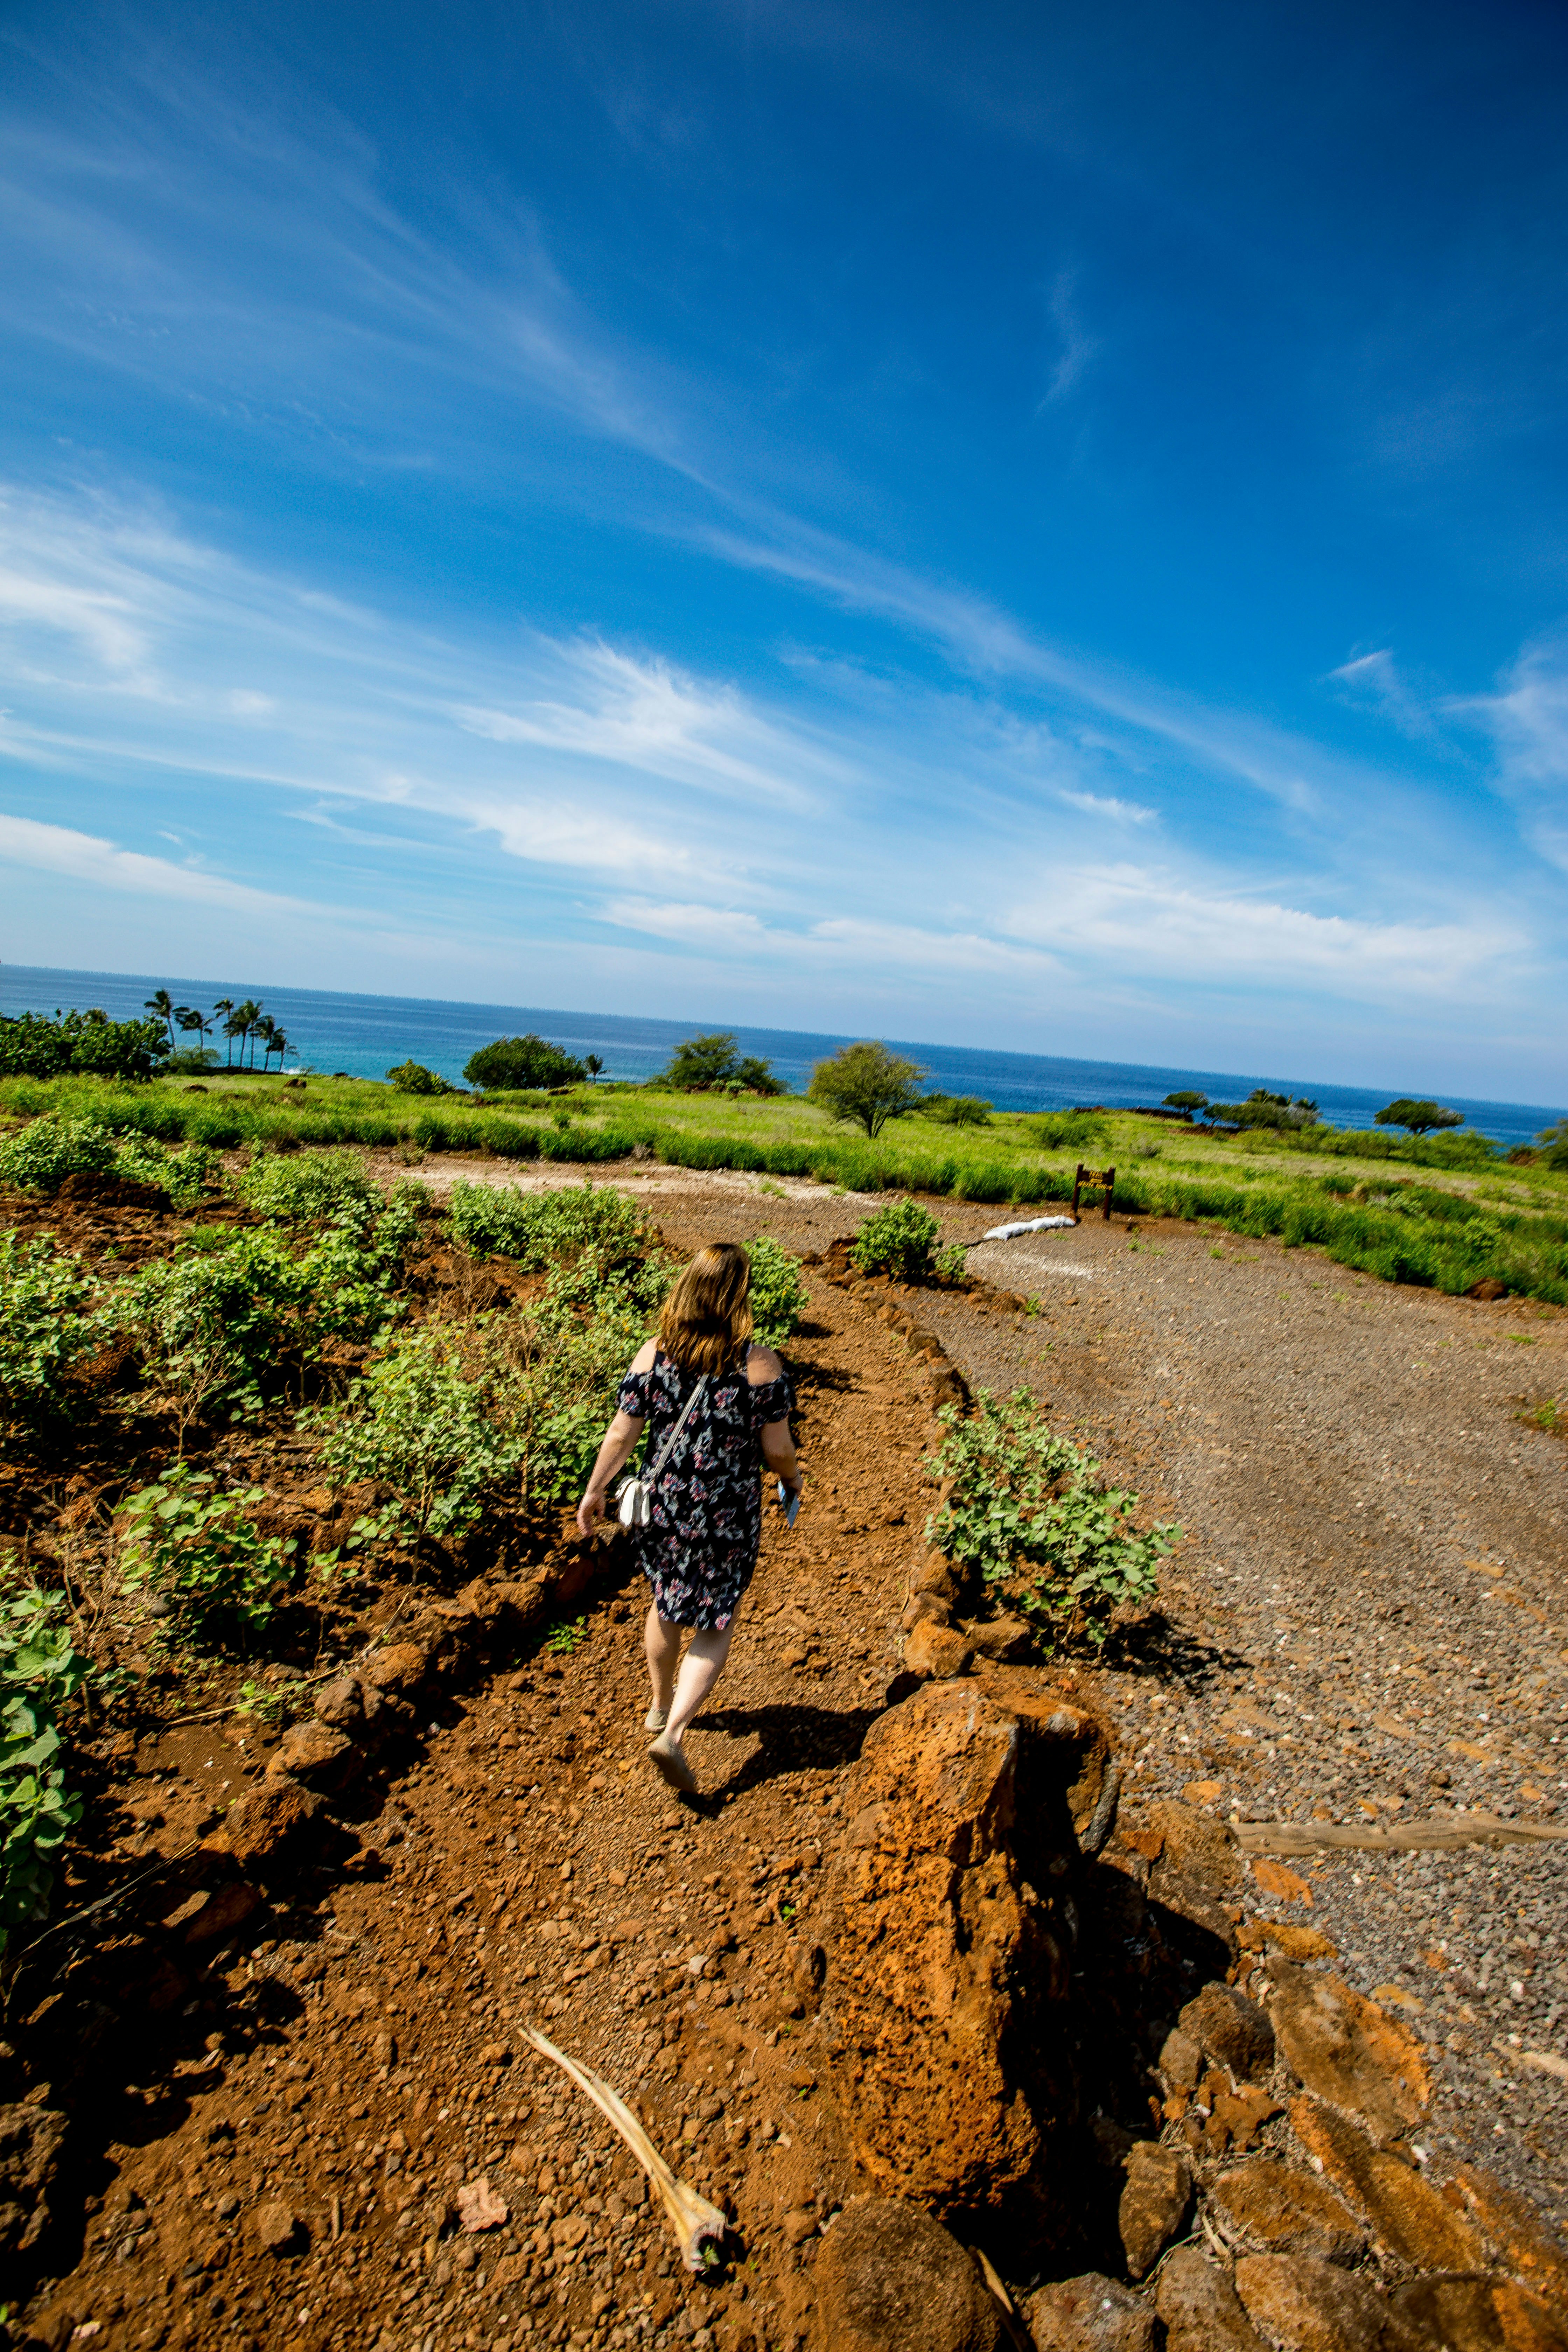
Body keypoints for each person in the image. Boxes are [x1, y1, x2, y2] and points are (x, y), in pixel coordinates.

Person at [575, 1241, 802, 1793]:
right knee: (715, 1618)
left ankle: (658, 1705)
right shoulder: (758, 1362)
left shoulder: (654, 1353)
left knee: (665, 1600)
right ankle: (673, 1732)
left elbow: (622, 1433)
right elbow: (777, 1449)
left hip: (667, 1507)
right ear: (738, 1295)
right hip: (727, 1510)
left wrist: (594, 1490)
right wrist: (792, 1479)